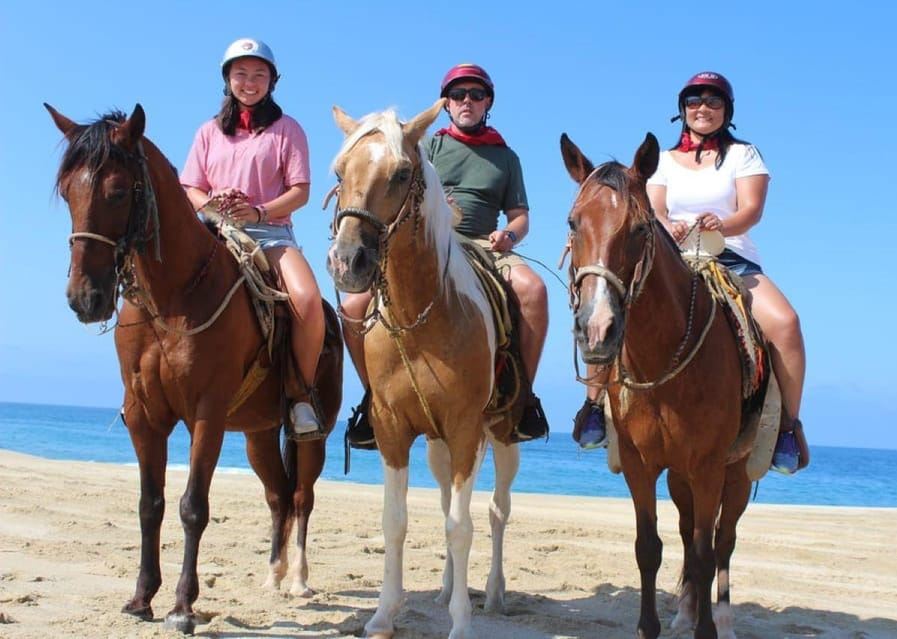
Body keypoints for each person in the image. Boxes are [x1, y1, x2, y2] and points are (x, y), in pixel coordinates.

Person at [573, 71, 810, 475]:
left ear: (727, 111)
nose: (703, 108)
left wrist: (722, 224)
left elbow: (751, 210)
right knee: (606, 306)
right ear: (682, 111)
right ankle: (595, 404)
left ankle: (786, 427)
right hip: (669, 258)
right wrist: (670, 226)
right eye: (694, 102)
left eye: (714, 102)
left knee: (786, 324)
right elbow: (657, 210)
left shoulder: (744, 155)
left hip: (730, 257)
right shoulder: (662, 161)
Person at [342, 62, 550, 450]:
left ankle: (523, 400)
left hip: (484, 245)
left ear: (488, 102)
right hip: (426, 244)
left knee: (534, 291)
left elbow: (521, 216)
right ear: (447, 104)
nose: (466, 101)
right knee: (354, 307)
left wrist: (508, 234)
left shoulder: (505, 157)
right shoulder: (428, 145)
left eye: (475, 94)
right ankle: (373, 398)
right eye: (457, 95)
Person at [180, 37, 327, 439]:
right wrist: (210, 204)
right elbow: (190, 186)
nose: (250, 82)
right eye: (241, 74)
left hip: (270, 233)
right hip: (213, 232)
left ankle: (300, 394)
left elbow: (301, 191)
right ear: (227, 80)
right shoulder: (208, 132)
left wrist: (259, 211)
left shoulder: (288, 129)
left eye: (259, 75)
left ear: (272, 82)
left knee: (308, 300)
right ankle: (146, 390)